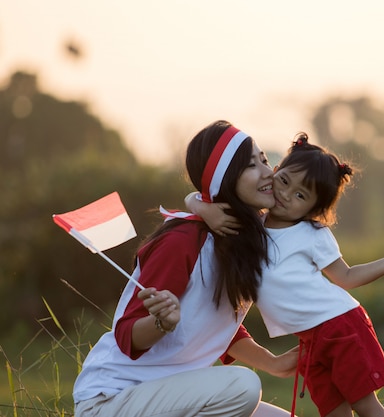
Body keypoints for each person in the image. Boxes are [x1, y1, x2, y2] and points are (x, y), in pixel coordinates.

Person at [186, 133, 384, 417]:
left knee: (364, 405)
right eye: (285, 181)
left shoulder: (312, 234)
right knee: (333, 410)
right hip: (310, 339)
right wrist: (204, 210)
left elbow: (346, 277)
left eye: (301, 195)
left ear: (314, 209)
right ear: (275, 171)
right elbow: (192, 197)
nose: (286, 195)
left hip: (341, 327)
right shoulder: (253, 224)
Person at [73, 120, 298, 417]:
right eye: (251, 165)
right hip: (111, 400)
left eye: (264, 160)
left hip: (168, 396)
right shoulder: (182, 241)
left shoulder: (240, 240)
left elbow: (212, 323)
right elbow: (127, 334)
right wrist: (161, 324)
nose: (269, 173)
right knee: (243, 387)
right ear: (225, 178)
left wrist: (273, 362)